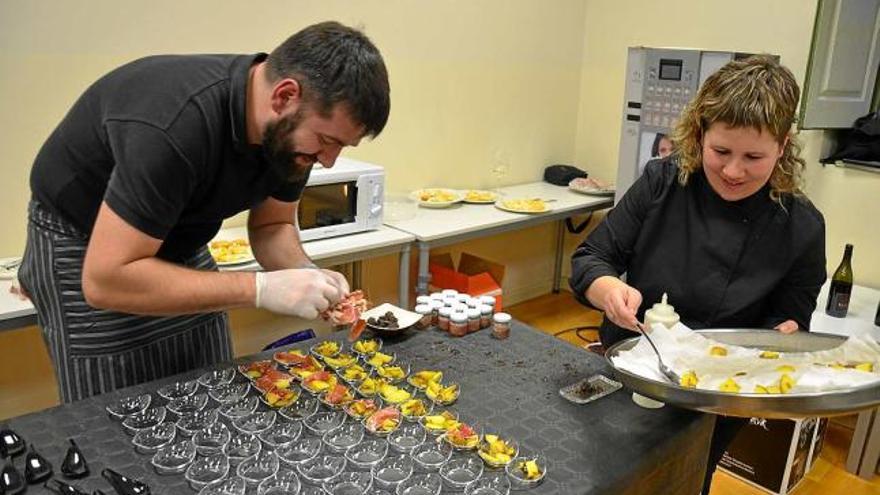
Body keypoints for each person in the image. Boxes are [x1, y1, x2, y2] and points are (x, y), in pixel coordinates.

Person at [17, 21, 391, 403]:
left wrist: (306, 276)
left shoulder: (290, 133)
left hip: (181, 234)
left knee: (210, 390)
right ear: (284, 96)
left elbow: (273, 225)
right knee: (118, 407)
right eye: (326, 141)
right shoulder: (174, 125)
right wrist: (260, 288)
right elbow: (105, 280)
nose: (328, 161)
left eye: (340, 146)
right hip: (85, 243)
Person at [570, 55, 825, 494]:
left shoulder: (801, 226)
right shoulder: (662, 182)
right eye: (721, 151)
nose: (733, 171)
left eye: (754, 157)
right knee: (609, 474)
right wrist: (608, 287)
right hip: (634, 368)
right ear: (701, 133)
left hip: (720, 391)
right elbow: (592, 257)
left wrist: (782, 337)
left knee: (683, 478)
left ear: (782, 146)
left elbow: (791, 316)